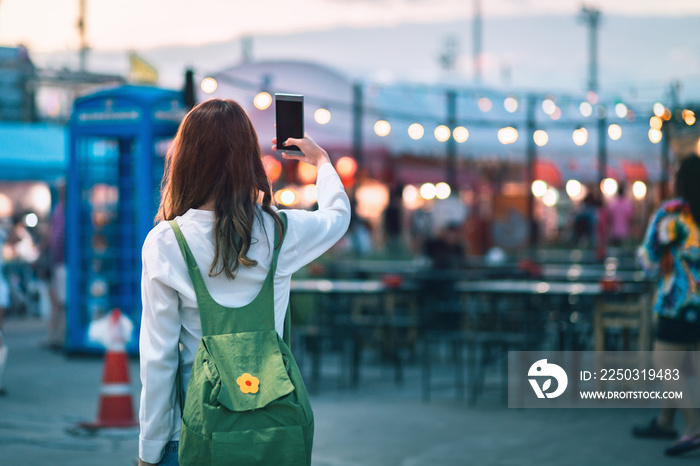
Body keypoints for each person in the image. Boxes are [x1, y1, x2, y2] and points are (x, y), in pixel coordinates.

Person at [138, 99, 350, 465]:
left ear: (185, 159)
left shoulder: (167, 242)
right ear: (248, 159)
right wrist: (322, 163)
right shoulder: (280, 232)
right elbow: (337, 217)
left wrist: (149, 450)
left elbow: (158, 360)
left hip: (193, 436)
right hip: (274, 433)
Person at [634, 155, 700, 456]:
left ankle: (693, 427)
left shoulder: (671, 213)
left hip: (679, 302)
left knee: (666, 366)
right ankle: (664, 421)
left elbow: (648, 260)